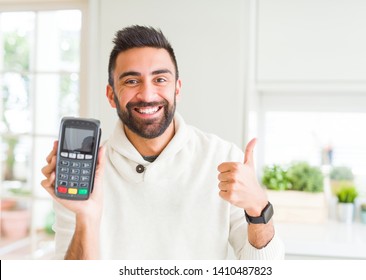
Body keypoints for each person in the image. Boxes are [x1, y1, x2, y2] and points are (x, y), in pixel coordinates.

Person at [41, 25, 284, 260]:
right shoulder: (86, 178)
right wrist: (86, 218)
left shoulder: (223, 157)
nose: (147, 95)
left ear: (177, 89)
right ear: (111, 95)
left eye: (160, 79)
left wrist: (258, 208)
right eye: (131, 81)